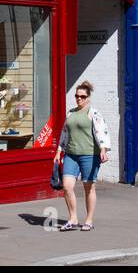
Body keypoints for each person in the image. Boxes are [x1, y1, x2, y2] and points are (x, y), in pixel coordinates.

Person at [54, 80, 111, 231]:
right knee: (67, 187)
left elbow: (102, 132)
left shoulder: (94, 113)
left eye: (82, 96)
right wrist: (59, 151)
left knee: (89, 188)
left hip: (89, 155)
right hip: (71, 155)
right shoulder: (71, 113)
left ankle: (89, 220)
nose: (79, 98)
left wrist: (104, 150)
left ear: (88, 98)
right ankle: (72, 218)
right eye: (77, 96)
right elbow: (64, 133)